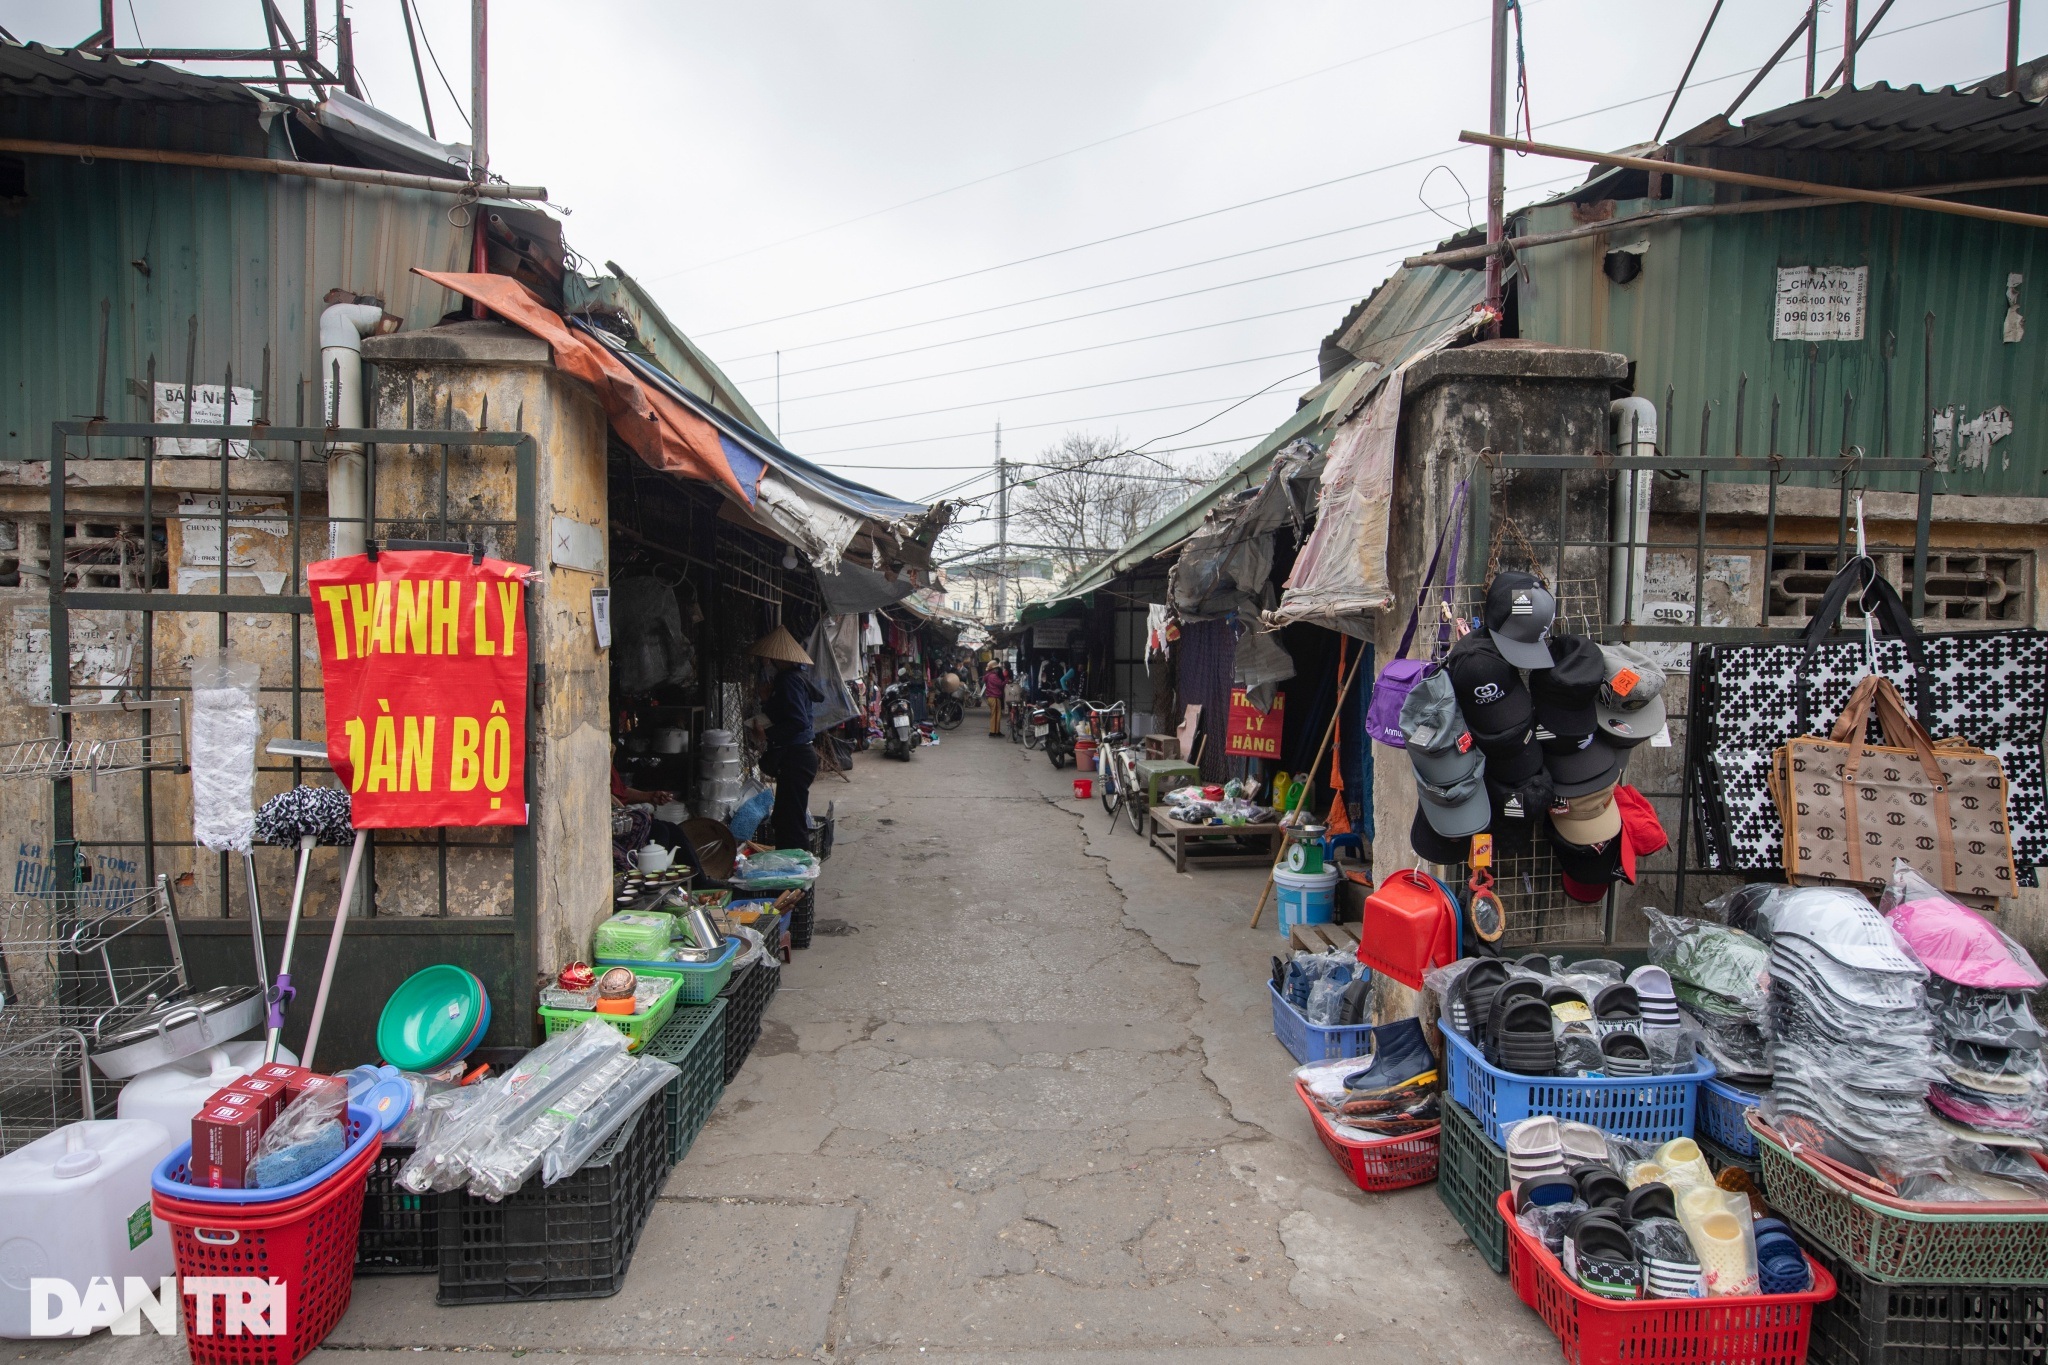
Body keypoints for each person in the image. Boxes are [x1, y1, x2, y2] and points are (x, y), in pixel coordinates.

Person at [751, 624, 825, 851]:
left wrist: (767, 734)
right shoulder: (795, 678)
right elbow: (786, 714)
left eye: (768, 658)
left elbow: (797, 721)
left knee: (790, 823)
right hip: (799, 757)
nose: (766, 662)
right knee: (786, 818)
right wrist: (766, 700)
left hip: (796, 757)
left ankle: (798, 876)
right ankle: (797, 871)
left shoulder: (788, 680)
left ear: (776, 658)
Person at [983, 660, 1005, 736]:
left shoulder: (988, 676)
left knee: (995, 715)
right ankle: (994, 732)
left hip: (991, 697)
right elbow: (1000, 684)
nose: (997, 670)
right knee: (996, 715)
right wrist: (1006, 681)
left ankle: (996, 731)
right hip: (994, 697)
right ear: (993, 669)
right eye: (996, 668)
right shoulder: (993, 676)